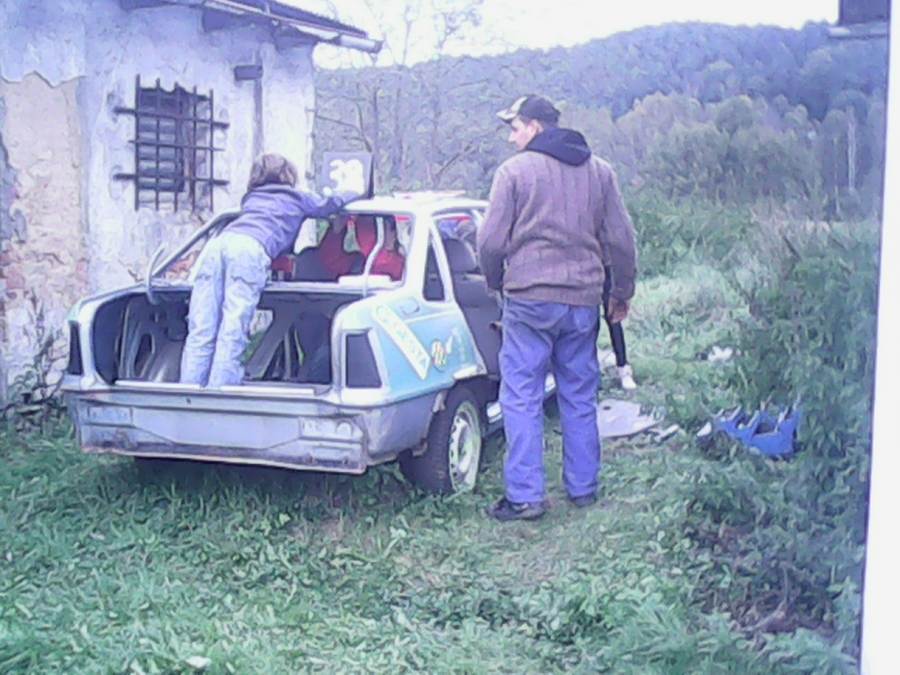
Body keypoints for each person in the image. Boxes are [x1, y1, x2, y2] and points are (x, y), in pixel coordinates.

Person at [477, 94, 637, 522]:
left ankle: (525, 497)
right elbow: (622, 239)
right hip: (583, 300)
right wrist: (621, 291)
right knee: (579, 393)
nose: (511, 138)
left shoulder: (513, 173)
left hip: (528, 299)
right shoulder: (600, 172)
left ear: (535, 127)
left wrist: (495, 282)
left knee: (521, 395)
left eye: (515, 128)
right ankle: (583, 488)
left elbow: (490, 242)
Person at [180, 153, 353, 388]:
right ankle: (220, 392)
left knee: (201, 329)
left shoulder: (251, 198)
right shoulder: (297, 198)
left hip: (217, 246)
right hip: (249, 250)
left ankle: (188, 392)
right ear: (289, 175)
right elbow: (327, 206)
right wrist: (352, 190)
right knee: (233, 327)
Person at [318, 214, 404, 281]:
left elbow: (380, 262)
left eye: (377, 231)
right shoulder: (357, 262)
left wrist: (362, 218)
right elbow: (331, 261)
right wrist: (336, 231)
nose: (374, 236)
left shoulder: (400, 265)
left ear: (393, 233)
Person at [602, 264, 637, 390]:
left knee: (613, 318)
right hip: (583, 272)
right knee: (587, 323)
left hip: (605, 267)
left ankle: (623, 367)